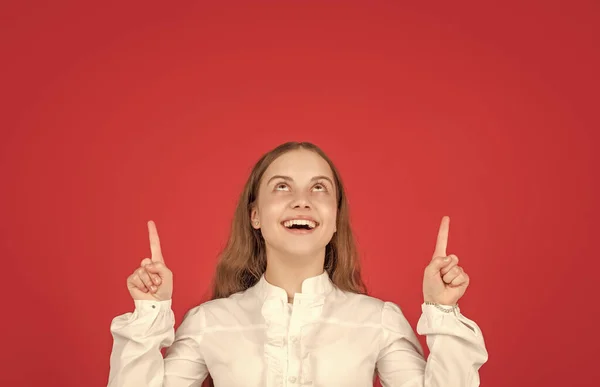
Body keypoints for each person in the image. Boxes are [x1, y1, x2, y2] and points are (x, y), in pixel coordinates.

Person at [108, 141, 488, 387]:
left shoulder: (378, 321)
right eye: (282, 186)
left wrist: (443, 310)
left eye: (319, 188)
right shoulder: (210, 322)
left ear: (335, 217)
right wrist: (149, 312)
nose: (302, 200)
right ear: (255, 215)